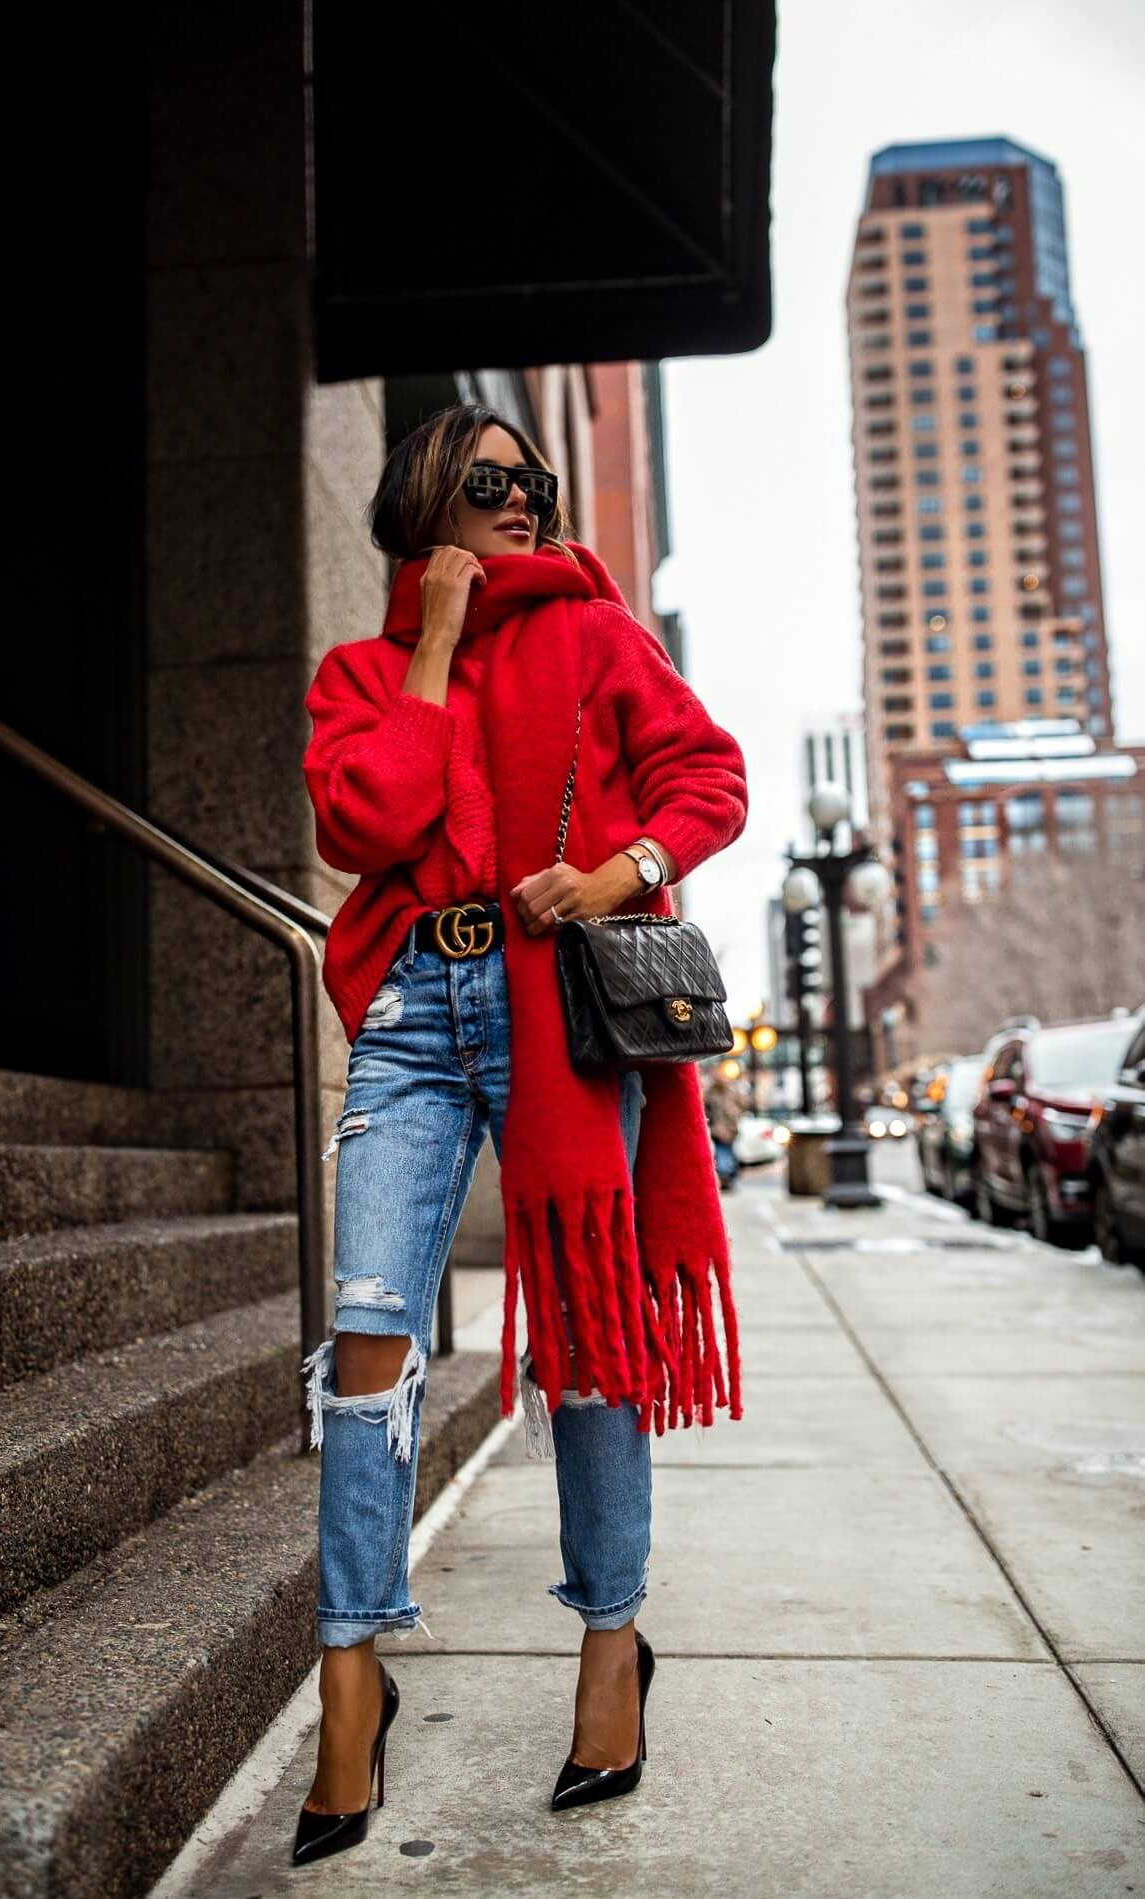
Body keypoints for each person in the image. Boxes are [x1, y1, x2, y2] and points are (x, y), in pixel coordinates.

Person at [293, 403, 748, 1865]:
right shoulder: (361, 672)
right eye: (491, 482)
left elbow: (709, 779)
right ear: (426, 501)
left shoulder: (598, 633)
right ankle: (352, 1673)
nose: (523, 499)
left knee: (593, 1337)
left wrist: (620, 869)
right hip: (417, 1007)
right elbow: (369, 820)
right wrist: (431, 641)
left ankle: (610, 1642)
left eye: (532, 481)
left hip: (559, 1011)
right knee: (369, 1337)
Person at [704, 1066, 745, 1190]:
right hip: (718, 1130)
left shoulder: (732, 1092)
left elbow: (741, 1106)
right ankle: (724, 1177)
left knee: (729, 1154)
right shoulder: (711, 1093)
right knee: (722, 1155)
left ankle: (728, 1177)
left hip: (730, 1129)